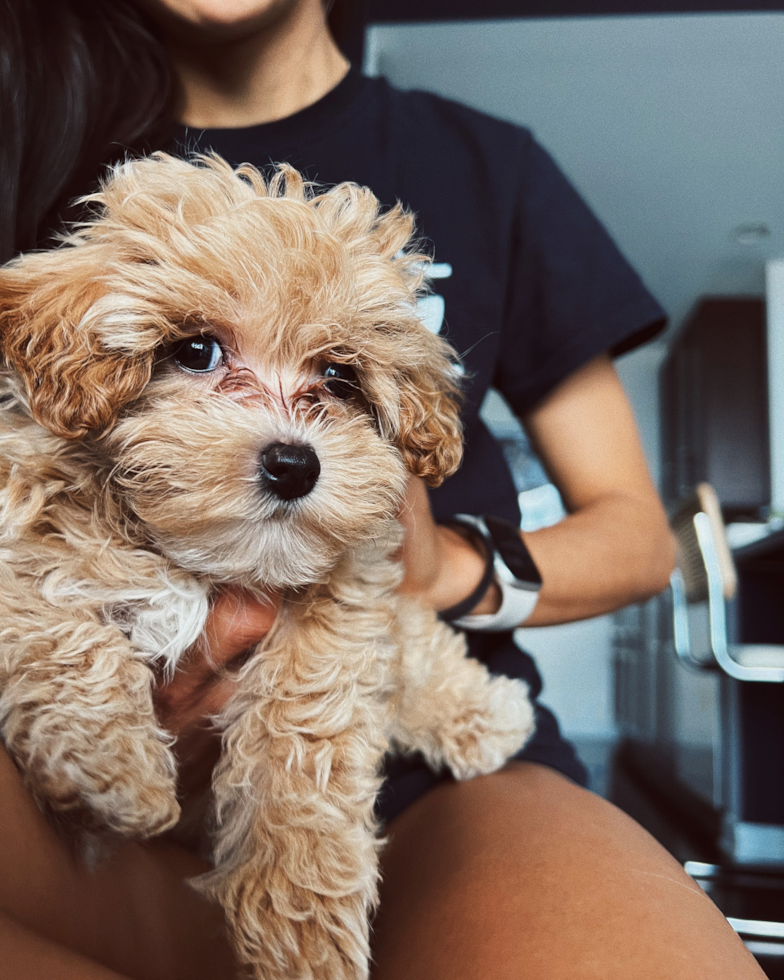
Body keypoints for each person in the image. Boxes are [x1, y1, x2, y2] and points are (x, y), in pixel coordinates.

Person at [0, 1, 766, 977]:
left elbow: (638, 536)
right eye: (199, 351)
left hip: (399, 762)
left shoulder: (487, 166)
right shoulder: (33, 127)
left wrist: (448, 566)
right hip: (43, 727)